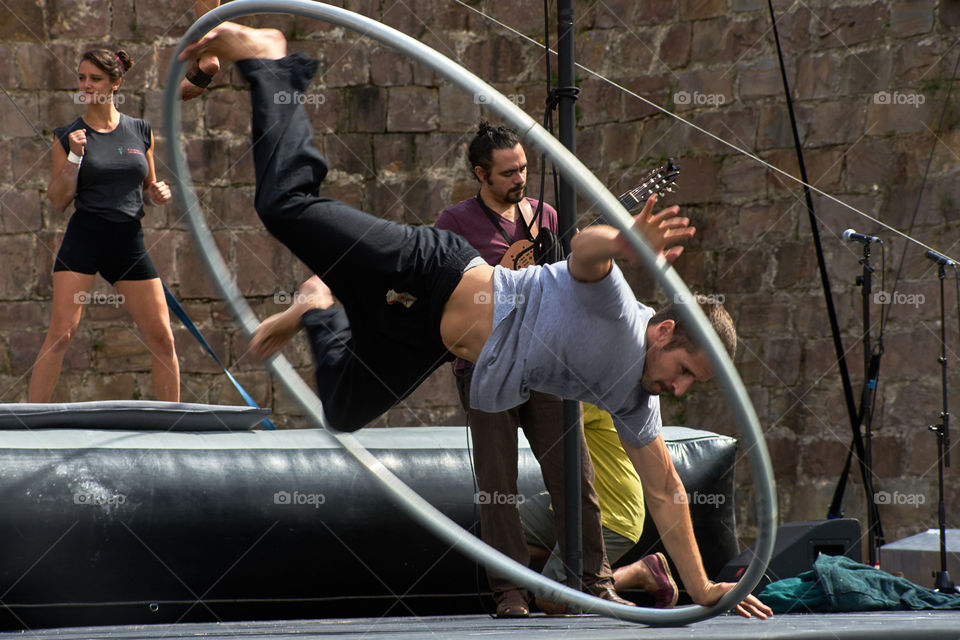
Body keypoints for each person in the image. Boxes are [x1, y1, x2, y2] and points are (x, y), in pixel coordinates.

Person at [181, 23, 772, 619]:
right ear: (666, 332)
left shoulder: (635, 400)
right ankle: (271, 62)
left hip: (425, 341)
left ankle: (319, 305)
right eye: (683, 371)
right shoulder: (620, 309)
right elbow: (588, 250)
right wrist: (627, 242)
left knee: (343, 410)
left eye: (689, 383)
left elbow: (668, 493)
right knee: (284, 207)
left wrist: (703, 591)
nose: (678, 387)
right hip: (433, 272)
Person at [433, 124, 628, 616]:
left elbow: (572, 285)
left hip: (548, 364)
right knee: (497, 485)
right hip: (484, 363)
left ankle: (595, 581)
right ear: (481, 174)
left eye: (524, 167)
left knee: (575, 476)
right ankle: (510, 591)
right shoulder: (454, 222)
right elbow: (440, 289)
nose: (521, 177)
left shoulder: (546, 217)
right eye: (508, 172)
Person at [29, 49, 178, 403]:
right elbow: (58, 199)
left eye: (95, 79)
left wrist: (159, 192)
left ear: (116, 84)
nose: (86, 85)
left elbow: (149, 186)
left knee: (163, 338)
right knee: (62, 335)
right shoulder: (68, 135)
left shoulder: (140, 131)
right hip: (85, 238)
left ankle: (174, 432)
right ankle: (27, 426)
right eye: (81, 78)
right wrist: (74, 158)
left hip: (128, 242)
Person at [521, 403, 679, 611]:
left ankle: (640, 572)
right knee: (500, 533)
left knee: (552, 599)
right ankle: (570, 564)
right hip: (567, 503)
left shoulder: (592, 398)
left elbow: (545, 416)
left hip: (611, 516)